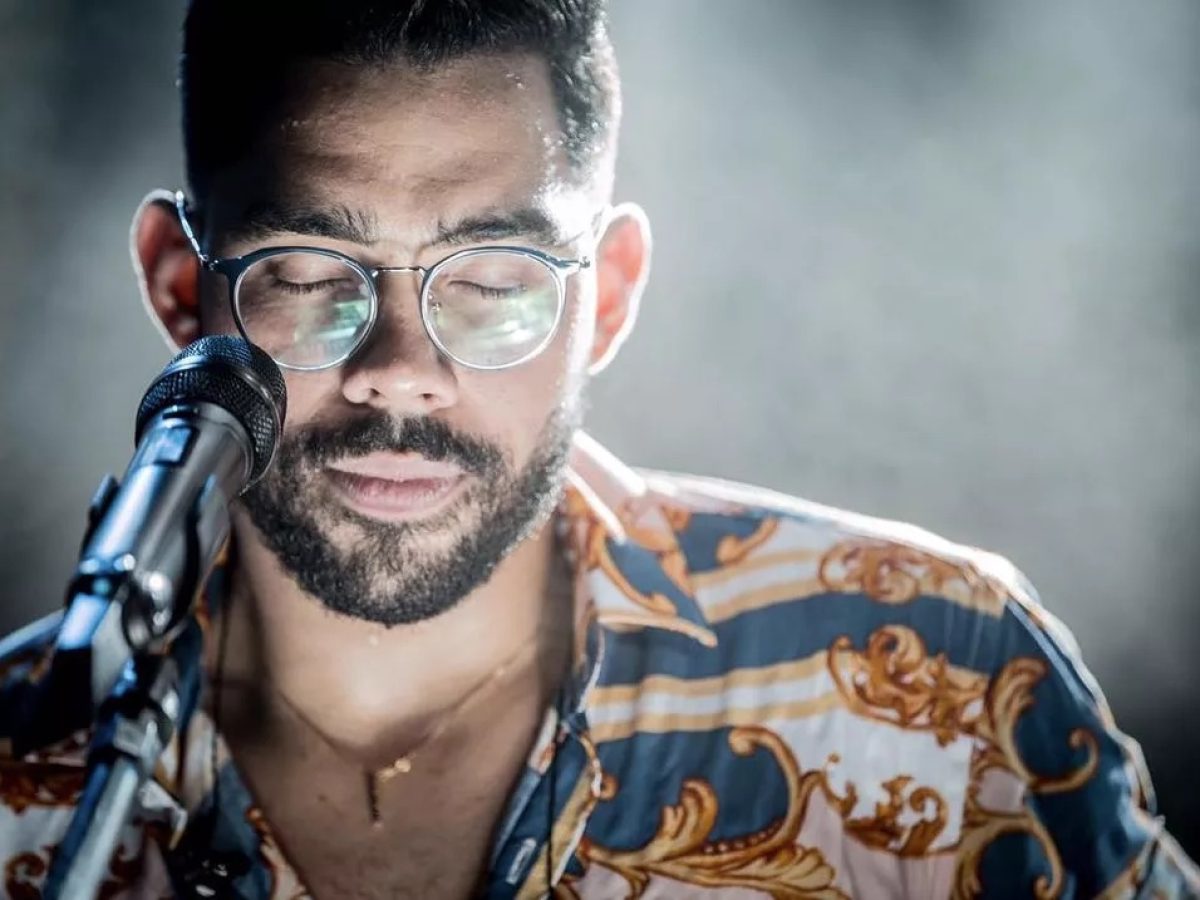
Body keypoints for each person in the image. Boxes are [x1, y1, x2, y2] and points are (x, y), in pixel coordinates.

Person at [0, 1, 1196, 897]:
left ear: (608, 296)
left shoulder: (949, 692)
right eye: (310, 275)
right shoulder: (20, 780)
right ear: (181, 286)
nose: (403, 367)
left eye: (496, 280)